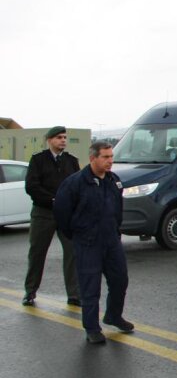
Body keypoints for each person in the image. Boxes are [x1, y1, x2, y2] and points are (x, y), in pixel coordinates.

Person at [53, 141, 132, 344]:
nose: (110, 161)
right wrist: (78, 234)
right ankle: (92, 328)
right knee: (90, 287)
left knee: (120, 279)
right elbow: (62, 214)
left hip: (111, 241)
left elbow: (117, 210)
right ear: (92, 158)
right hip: (87, 242)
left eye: (111, 157)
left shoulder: (114, 181)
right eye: (105, 157)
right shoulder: (75, 183)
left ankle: (114, 315)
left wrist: (115, 231)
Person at [22, 126, 80, 307]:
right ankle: (30, 292)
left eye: (64, 137)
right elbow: (31, 186)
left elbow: (77, 185)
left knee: (73, 253)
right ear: (49, 140)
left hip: (66, 215)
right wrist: (53, 199)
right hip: (43, 213)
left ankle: (74, 295)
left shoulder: (71, 161)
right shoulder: (38, 160)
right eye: (58, 137)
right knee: (37, 253)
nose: (63, 140)